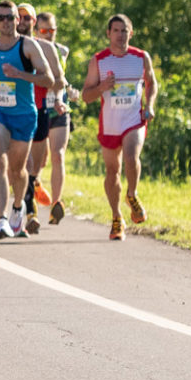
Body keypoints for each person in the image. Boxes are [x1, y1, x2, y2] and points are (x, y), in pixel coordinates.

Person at [0, 0, 61, 239]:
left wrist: (20, 75)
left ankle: (18, 206)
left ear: (18, 20)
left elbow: (48, 79)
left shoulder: (28, 47)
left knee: (18, 170)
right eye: (0, 17)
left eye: (10, 17)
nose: (5, 22)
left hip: (24, 115)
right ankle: (2, 219)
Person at [80, 13, 157, 240]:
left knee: (132, 157)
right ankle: (116, 217)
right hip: (110, 123)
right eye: (116, 31)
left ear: (130, 33)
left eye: (124, 31)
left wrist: (149, 105)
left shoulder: (141, 57)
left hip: (134, 119)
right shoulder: (100, 60)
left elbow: (152, 83)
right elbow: (86, 96)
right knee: (112, 171)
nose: (120, 35)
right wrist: (102, 86)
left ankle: (132, 195)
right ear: (108, 34)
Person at [29, 9, 74, 225]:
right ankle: (34, 186)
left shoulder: (63, 51)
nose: (49, 34)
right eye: (44, 30)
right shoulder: (30, 49)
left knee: (58, 155)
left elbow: (62, 78)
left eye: (52, 30)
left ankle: (56, 204)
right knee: (40, 160)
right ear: (36, 31)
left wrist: (67, 93)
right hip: (37, 107)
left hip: (58, 107)